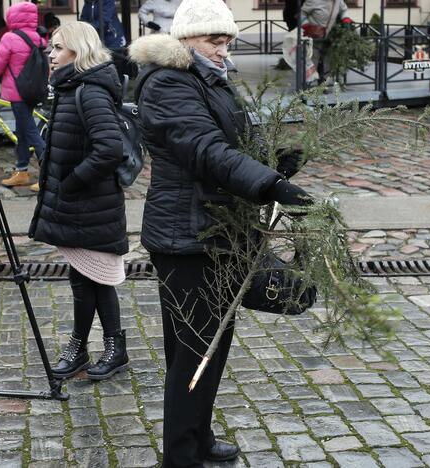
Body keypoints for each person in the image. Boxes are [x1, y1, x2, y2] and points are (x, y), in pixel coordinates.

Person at [129, 0, 313, 464]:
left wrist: (274, 161)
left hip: (217, 232)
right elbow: (204, 148)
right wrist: (269, 184)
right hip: (187, 238)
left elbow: (232, 142)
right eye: (214, 39)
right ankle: (181, 456)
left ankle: (199, 436)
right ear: (186, 39)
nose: (223, 48)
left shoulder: (208, 78)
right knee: (193, 352)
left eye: (228, 39)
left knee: (211, 345)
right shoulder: (168, 82)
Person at [29, 21, 129, 381]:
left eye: (57, 47)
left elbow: (109, 149)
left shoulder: (89, 91)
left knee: (96, 278)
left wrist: (71, 184)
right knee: (84, 278)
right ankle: (86, 347)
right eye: (51, 47)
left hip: (92, 205)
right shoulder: (71, 87)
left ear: (78, 50)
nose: (51, 54)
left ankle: (109, 346)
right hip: (82, 207)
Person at [0, 1, 47, 188]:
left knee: (32, 134)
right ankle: (22, 171)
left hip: (18, 93)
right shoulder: (38, 37)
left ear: (12, 17)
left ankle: (49, 175)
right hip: (32, 91)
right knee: (23, 133)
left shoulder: (9, 38)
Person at [300, 0, 348, 85]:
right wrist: (306, 25)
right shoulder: (313, 1)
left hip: (330, 36)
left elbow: (344, 10)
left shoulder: (338, 1)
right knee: (312, 59)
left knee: (328, 60)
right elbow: (302, 13)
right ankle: (308, 84)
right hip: (313, 36)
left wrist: (345, 19)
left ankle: (324, 83)